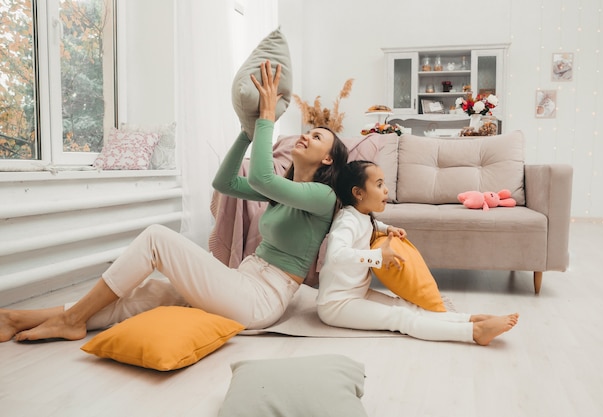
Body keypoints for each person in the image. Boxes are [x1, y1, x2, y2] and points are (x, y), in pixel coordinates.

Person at [0, 60, 348, 343]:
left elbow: (260, 177)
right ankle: (18, 317)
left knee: (156, 238)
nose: (305, 135)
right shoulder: (283, 189)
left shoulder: (322, 196)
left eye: (316, 136)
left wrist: (267, 119)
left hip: (261, 300)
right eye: (307, 131)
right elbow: (223, 182)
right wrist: (245, 134)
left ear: (329, 160)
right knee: (148, 294)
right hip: (244, 280)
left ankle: (73, 319)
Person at [316, 160, 519, 346]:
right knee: (400, 318)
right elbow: (336, 255)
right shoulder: (346, 221)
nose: (386, 190)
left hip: (357, 293)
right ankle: (473, 332)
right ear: (358, 193)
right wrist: (377, 257)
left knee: (405, 306)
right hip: (337, 304)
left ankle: (467, 318)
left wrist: (387, 229)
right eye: (379, 185)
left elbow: (370, 225)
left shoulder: (361, 215)